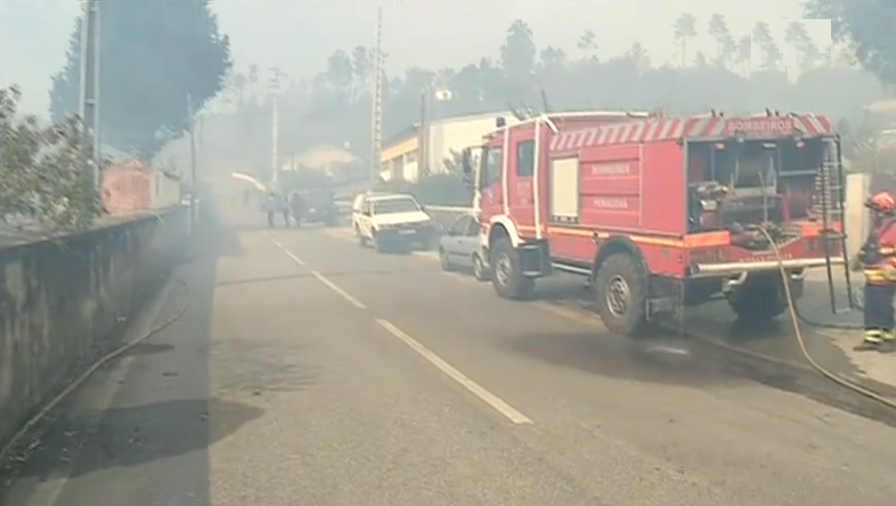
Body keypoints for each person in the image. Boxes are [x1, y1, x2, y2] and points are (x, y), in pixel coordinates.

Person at [855, 190, 896, 352]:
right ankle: (871, 339)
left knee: (883, 307)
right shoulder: (877, 228)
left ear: (883, 211)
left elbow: (888, 249)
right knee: (870, 307)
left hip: (886, 276)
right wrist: (862, 254)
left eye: (875, 210)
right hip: (873, 277)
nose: (872, 214)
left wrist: (878, 253)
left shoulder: (893, 227)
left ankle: (890, 339)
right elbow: (871, 245)